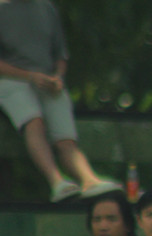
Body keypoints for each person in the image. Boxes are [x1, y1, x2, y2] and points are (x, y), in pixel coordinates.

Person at [0, 0, 120, 202]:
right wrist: (30, 76)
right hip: (12, 81)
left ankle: (89, 180)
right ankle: (56, 182)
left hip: (47, 81)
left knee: (65, 139)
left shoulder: (46, 8)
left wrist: (57, 77)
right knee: (34, 122)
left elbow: (60, 54)